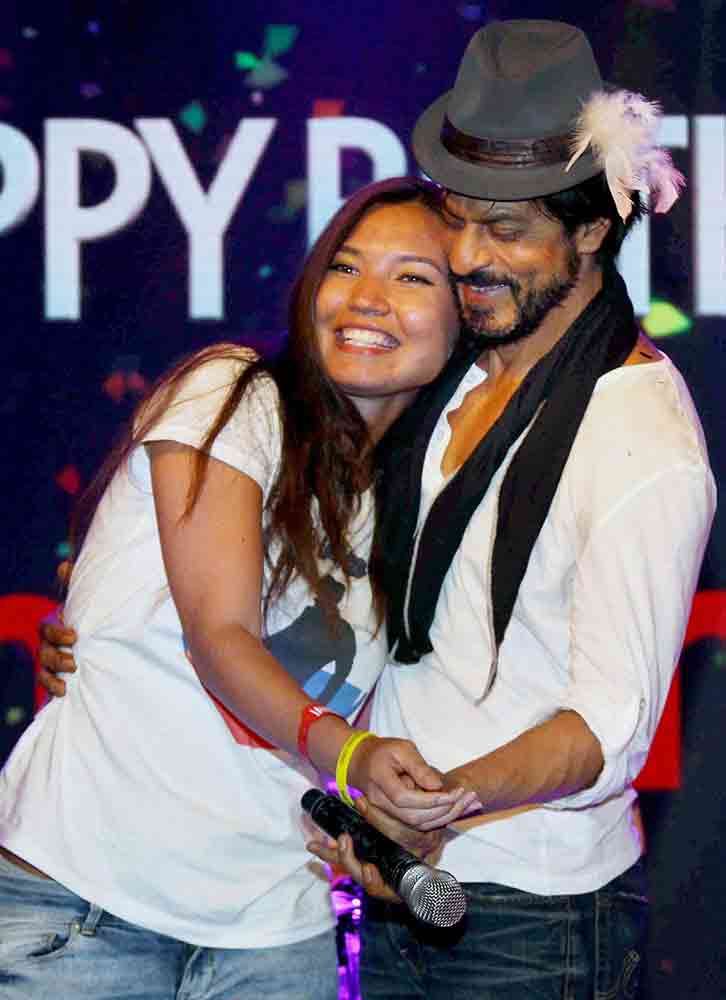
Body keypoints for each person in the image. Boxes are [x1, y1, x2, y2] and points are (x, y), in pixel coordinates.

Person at [304, 19, 716, 1000]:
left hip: (530, 922)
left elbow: (608, 728)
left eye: (510, 230)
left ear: (592, 228)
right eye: (458, 215)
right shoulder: (448, 355)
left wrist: (447, 803)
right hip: (390, 879)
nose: (469, 256)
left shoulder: (643, 443)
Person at [0, 177, 474, 999]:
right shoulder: (234, 393)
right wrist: (355, 756)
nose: (367, 298)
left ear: (465, 316)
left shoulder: (421, 507)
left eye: (412, 278)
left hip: (272, 935)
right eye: (347, 267)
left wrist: (396, 822)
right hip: (85, 913)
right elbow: (220, 636)